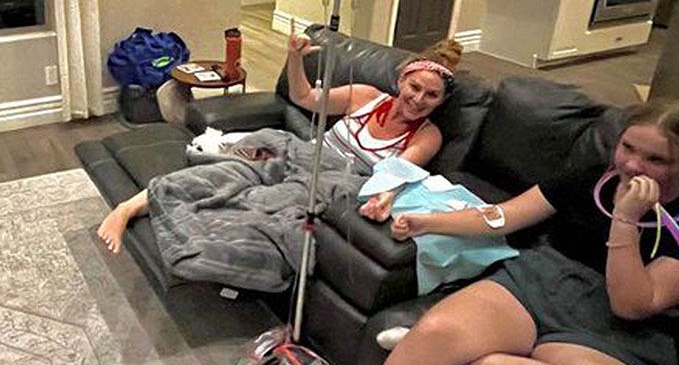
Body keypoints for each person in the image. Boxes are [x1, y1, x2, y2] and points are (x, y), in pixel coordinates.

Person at [298, 101, 679, 365]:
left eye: (655, 159)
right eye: (627, 147)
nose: (632, 165)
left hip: (613, 329)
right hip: (540, 282)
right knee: (439, 329)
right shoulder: (593, 177)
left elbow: (629, 304)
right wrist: (428, 222)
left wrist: (626, 220)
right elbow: (504, 216)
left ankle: (460, 355)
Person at [96, 30, 462, 254]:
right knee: (230, 168)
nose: (418, 99)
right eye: (415, 87)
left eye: (431, 95)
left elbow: (397, 173)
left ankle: (191, 237)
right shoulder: (365, 96)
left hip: (331, 181)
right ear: (401, 81)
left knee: (260, 204)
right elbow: (304, 98)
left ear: (441, 101)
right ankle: (128, 208)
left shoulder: (427, 135)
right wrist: (294, 58)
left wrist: (386, 197)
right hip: (298, 151)